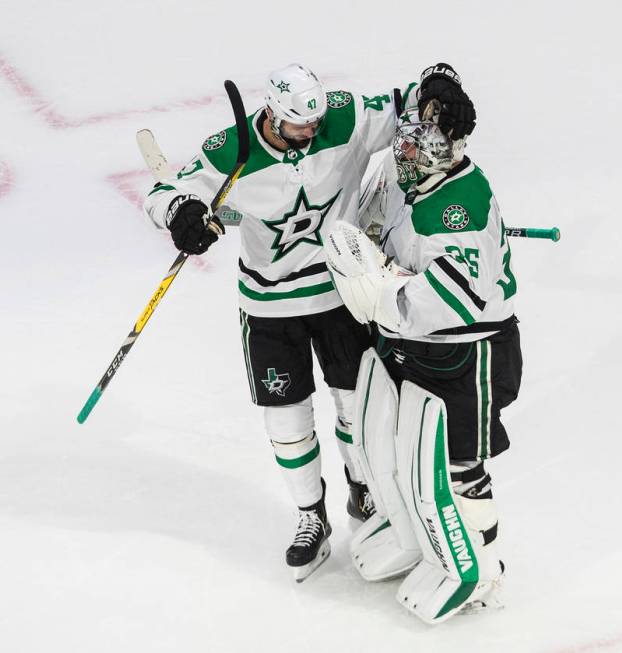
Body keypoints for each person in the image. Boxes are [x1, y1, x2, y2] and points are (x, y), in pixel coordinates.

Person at [142, 63, 476, 582]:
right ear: (272, 114)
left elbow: (408, 105)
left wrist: (437, 87)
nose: (312, 133)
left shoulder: (339, 117)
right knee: (287, 422)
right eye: (300, 126)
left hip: (339, 295)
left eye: (316, 122)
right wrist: (182, 213)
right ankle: (309, 517)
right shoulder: (230, 149)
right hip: (270, 308)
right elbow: (166, 193)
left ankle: (364, 491)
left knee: (355, 405)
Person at [323, 100, 522, 622]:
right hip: (411, 346)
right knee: (397, 446)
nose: (401, 153)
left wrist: (379, 291)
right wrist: (376, 267)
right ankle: (417, 539)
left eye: (415, 147)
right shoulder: (407, 171)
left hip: (466, 352)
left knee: (458, 467)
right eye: (404, 141)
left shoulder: (460, 210)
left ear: (443, 153)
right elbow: (366, 228)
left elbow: (443, 305)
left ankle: (483, 567)